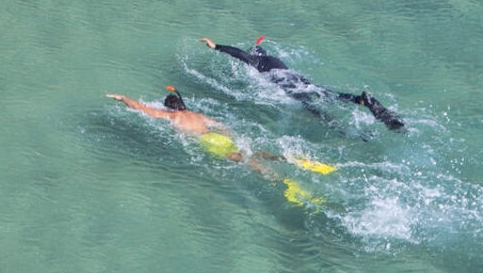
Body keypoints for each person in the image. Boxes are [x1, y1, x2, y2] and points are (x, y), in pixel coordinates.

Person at [200, 37, 404, 130]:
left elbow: (240, 54)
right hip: (297, 78)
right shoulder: (274, 59)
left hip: (286, 83)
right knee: (325, 93)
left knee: (310, 107)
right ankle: (360, 100)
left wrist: (216, 46)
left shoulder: (256, 61)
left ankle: (339, 127)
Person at [105, 88, 272, 174]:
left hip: (208, 141)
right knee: (247, 152)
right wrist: (229, 136)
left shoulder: (172, 116)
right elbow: (221, 126)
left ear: (169, 108)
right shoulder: (196, 114)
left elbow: (141, 108)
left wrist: (122, 98)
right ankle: (279, 157)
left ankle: (270, 175)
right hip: (217, 136)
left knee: (239, 159)